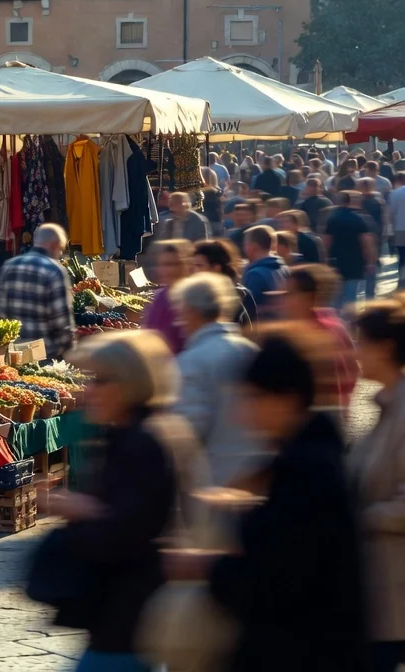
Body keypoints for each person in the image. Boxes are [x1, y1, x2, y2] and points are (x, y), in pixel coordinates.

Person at [165, 327, 370, 672]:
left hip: (303, 653)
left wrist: (208, 567)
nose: (243, 413)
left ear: (286, 398)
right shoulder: (304, 459)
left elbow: (279, 577)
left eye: (253, 398)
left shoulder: (308, 470)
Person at [52, 331, 197, 672]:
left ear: (129, 383)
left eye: (100, 381)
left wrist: (80, 510)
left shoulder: (142, 442)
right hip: (125, 619)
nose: (89, 391)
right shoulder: (139, 434)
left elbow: (127, 531)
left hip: (128, 618)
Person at [349, 302, 405, 672]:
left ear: (385, 347)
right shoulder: (382, 406)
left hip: (394, 594)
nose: (355, 353)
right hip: (380, 593)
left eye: (361, 343)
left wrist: (359, 516)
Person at [171, 272, 262, 486]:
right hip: (257, 477)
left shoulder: (191, 361)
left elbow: (189, 430)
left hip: (214, 481)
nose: (179, 322)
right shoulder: (251, 351)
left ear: (192, 312)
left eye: (181, 313)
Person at [280, 264, 357, 414]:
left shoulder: (319, 334)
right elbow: (353, 370)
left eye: (289, 294)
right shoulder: (336, 325)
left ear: (309, 297)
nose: (283, 300)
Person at [0, 223, 75, 360]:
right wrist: (68, 351)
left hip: (13, 352)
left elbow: (0, 313)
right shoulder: (54, 271)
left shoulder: (9, 266)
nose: (60, 254)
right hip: (44, 353)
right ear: (54, 245)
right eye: (60, 249)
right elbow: (61, 321)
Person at [325, 190, 378, 313]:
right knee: (351, 295)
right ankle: (349, 319)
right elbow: (366, 243)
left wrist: (325, 259)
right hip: (355, 261)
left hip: (335, 261)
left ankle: (337, 318)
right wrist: (370, 263)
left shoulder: (332, 219)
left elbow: (326, 242)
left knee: (336, 296)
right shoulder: (359, 219)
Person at [189, 239, 255, 328]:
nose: (193, 270)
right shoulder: (193, 296)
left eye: (199, 265)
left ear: (216, 268)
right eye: (192, 265)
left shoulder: (238, 296)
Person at [142, 239, 192, 354]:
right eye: (163, 265)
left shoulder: (191, 296)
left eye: (173, 264)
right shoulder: (159, 297)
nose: (166, 270)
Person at [240, 226, 287, 320]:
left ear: (253, 246)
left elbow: (248, 310)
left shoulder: (254, 275)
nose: (244, 248)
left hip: (264, 325)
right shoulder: (284, 268)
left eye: (246, 244)